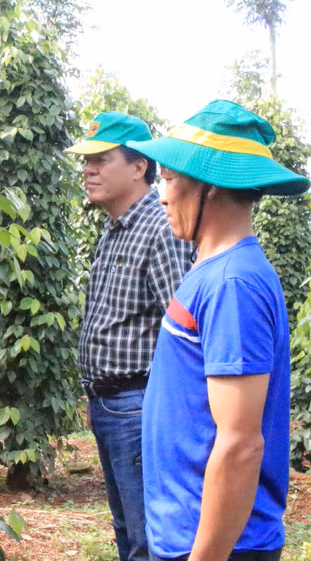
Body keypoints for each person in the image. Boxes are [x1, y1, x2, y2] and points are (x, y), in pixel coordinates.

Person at [126, 100, 311, 561]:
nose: (162, 195)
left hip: (220, 545)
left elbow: (241, 444)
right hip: (189, 532)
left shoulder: (233, 285)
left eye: (168, 179)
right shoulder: (209, 270)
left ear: (208, 186)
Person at [66, 112, 194, 561]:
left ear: (139, 167)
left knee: (148, 538)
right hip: (111, 404)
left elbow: (186, 334)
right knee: (127, 529)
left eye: (101, 160)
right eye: (87, 161)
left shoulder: (161, 230)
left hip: (139, 405)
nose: (88, 170)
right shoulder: (114, 231)